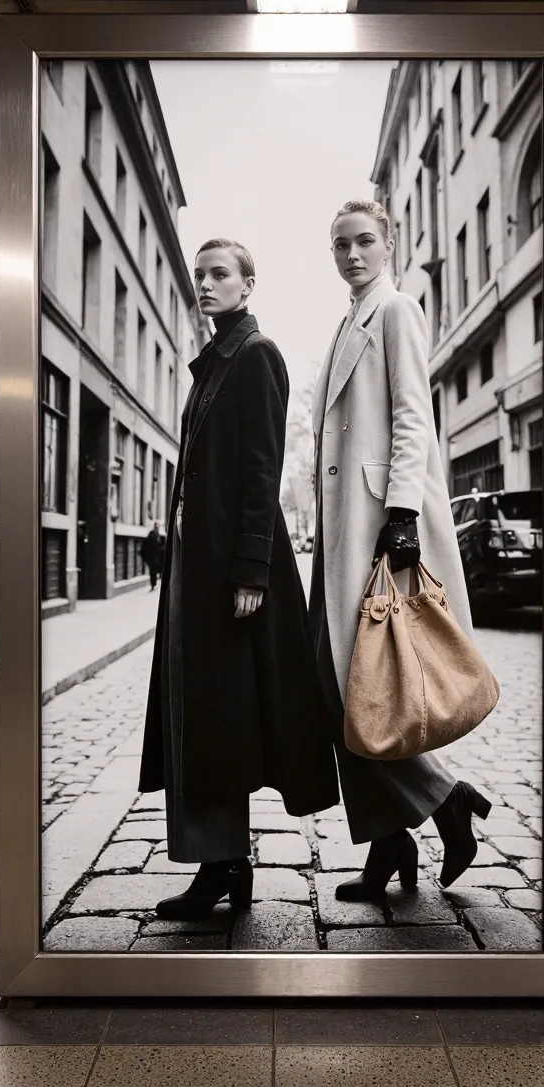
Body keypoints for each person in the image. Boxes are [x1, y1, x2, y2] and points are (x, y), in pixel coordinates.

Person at [139, 238, 339, 920]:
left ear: (248, 285)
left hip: (230, 574)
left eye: (219, 274)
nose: (204, 285)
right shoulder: (215, 361)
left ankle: (226, 865)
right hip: (196, 572)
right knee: (202, 717)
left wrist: (251, 568)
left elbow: (264, 469)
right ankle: (222, 864)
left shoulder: (255, 355)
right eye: (199, 276)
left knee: (221, 718)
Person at [308, 199, 492, 906]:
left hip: (377, 526)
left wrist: (404, 514)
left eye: (362, 242)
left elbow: (415, 413)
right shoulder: (347, 320)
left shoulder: (396, 310)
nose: (352, 254)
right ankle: (393, 838)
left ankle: (444, 801)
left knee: (360, 690)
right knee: (338, 691)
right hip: (340, 529)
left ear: (388, 243)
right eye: (339, 245)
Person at [140, 522, 165, 591]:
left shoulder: (157, 535)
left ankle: (153, 584)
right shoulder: (154, 535)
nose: (158, 528)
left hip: (155, 557)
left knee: (154, 571)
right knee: (155, 571)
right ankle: (154, 584)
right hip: (155, 557)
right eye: (157, 527)